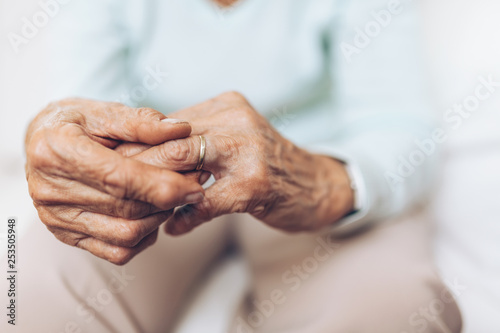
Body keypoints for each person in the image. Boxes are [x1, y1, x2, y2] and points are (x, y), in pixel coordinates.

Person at [6, 0, 462, 332]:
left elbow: (401, 127)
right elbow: (79, 106)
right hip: (151, 187)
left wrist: (325, 185)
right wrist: (57, 146)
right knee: (26, 303)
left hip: (314, 176)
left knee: (390, 312)